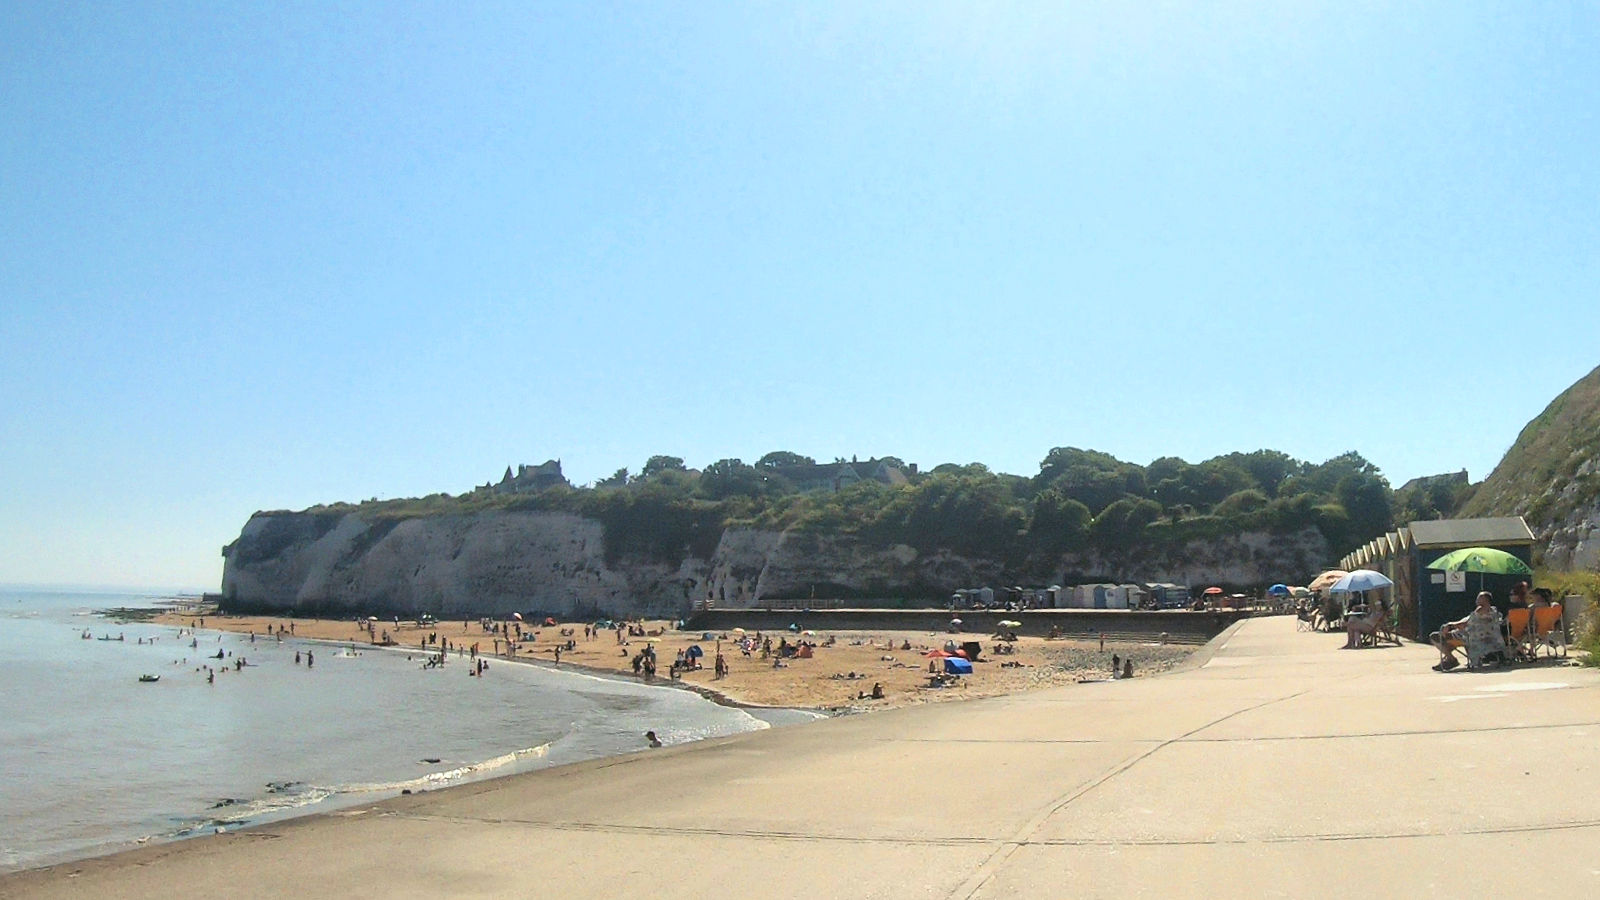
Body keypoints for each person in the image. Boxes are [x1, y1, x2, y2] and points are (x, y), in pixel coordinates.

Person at [1431, 592, 1505, 670]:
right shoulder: (1495, 613)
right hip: (1492, 640)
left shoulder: (1478, 613)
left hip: (1470, 638)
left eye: (1479, 598)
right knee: (1449, 638)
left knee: (1435, 637)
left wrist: (1450, 626)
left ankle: (1451, 659)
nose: (1477, 600)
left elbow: (1464, 624)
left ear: (1484, 600)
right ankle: (1450, 658)